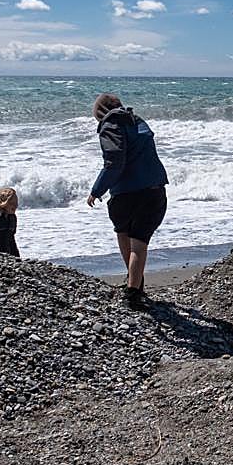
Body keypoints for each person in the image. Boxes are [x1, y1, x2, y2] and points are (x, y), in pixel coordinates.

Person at [87, 93, 169, 307]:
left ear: (99, 112)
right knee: (139, 241)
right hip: (154, 189)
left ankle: (134, 291)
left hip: (126, 194)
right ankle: (135, 286)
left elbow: (114, 161)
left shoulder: (110, 125)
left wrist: (97, 190)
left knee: (126, 236)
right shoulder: (138, 121)